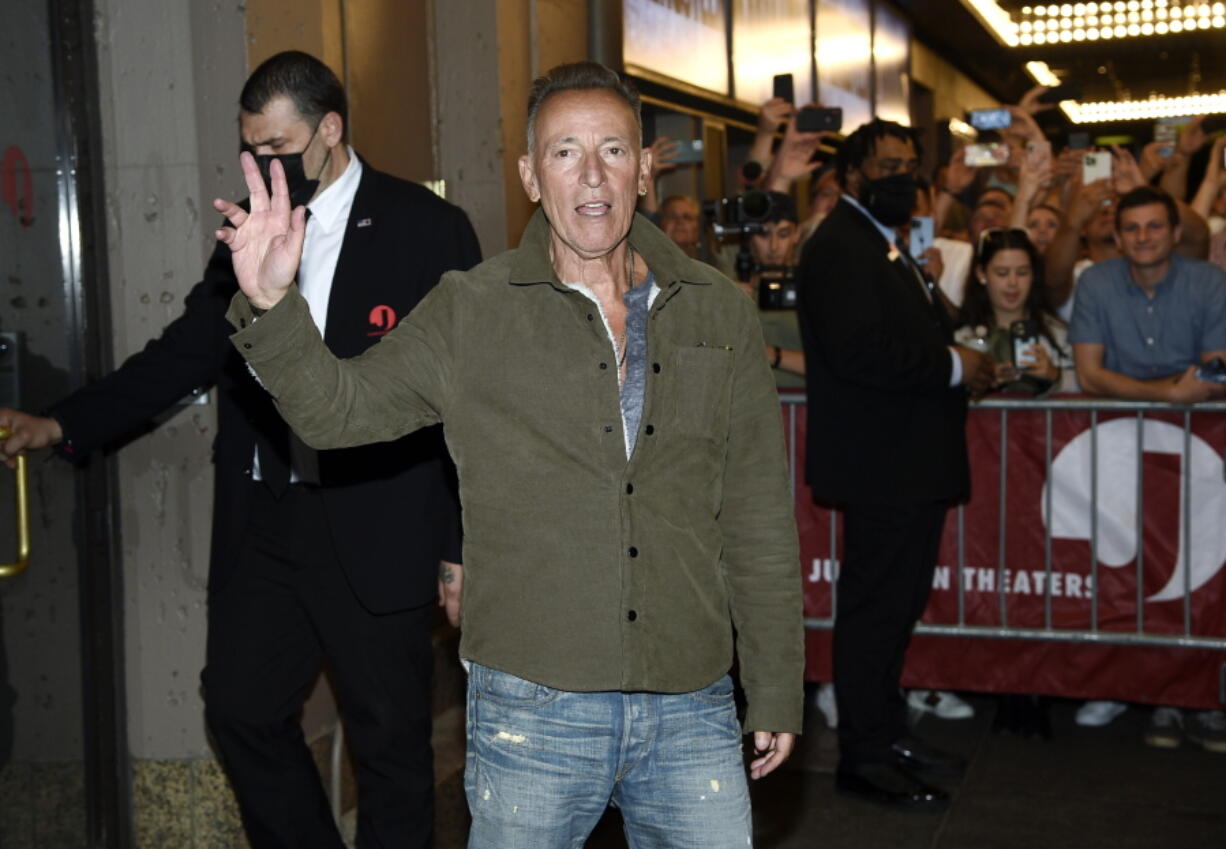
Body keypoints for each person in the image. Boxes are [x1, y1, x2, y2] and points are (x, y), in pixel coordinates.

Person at [217, 61, 803, 848]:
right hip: (534, 715)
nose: (591, 176)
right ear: (531, 174)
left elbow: (759, 516)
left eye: (613, 150)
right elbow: (336, 412)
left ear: (644, 170)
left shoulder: (715, 314)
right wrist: (271, 303)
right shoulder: (473, 310)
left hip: (690, 706)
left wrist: (773, 688)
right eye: (564, 152)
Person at [0, 51, 480, 849]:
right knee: (239, 709)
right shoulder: (248, 233)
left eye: (279, 149)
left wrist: (462, 546)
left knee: (390, 750)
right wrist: (59, 424)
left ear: (330, 130)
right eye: (250, 151)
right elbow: (185, 350)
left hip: (379, 522)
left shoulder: (426, 230)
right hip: (267, 521)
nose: (263, 168)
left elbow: (470, 399)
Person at [797, 118, 994, 811]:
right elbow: (860, 352)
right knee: (875, 612)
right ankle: (864, 754)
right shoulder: (841, 246)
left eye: (910, 164)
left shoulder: (881, 243)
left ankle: (887, 732)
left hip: (906, 462)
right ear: (851, 175)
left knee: (895, 608)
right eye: (886, 165)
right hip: (882, 464)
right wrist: (953, 364)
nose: (900, 177)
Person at [1069, 185, 1226, 748]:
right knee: (1135, 573)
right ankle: (1157, 694)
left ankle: (1204, 696)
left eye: (1153, 227)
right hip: (1119, 447)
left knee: (1204, 573)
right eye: (1131, 228)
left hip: (1207, 448)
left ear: (1175, 232)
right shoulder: (1095, 282)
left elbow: (1215, 375)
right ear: (1116, 236)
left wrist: (1170, 391)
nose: (1142, 238)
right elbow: (1089, 375)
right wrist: (1168, 393)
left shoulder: (1210, 283)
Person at [954, 228, 1075, 395]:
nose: (1013, 282)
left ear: (1033, 275)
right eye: (1002, 273)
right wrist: (981, 378)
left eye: (1022, 273)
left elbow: (1088, 383)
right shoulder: (962, 336)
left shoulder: (1058, 335)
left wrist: (1055, 376)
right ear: (981, 273)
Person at [737, 191, 806, 388]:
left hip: (803, 408)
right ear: (749, 236)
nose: (774, 246)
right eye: (764, 234)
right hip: (749, 409)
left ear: (797, 234)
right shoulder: (733, 290)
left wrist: (769, 354)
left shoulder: (812, 289)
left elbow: (831, 362)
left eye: (783, 234)